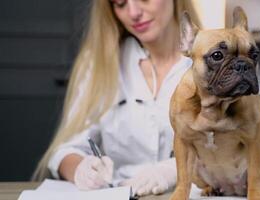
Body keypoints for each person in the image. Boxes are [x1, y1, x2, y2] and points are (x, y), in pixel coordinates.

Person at [33, 0, 200, 196]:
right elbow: (65, 150)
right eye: (120, 3)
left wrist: (176, 168)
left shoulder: (213, 61)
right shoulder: (100, 63)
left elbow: (236, 150)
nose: (133, 12)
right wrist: (82, 169)